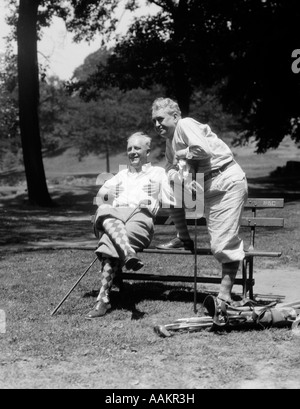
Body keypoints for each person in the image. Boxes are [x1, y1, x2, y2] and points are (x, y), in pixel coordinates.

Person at [151, 97, 248, 305]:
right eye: (154, 121)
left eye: (160, 119)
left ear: (175, 116)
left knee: (222, 244)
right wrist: (180, 174)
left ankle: (224, 296)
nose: (157, 124)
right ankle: (183, 237)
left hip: (226, 181)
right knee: (165, 180)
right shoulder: (170, 140)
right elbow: (170, 165)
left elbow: (202, 150)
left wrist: (182, 154)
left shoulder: (185, 124)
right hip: (205, 188)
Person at [86, 131, 170, 319]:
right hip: (114, 218)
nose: (132, 152)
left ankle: (103, 299)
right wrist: (109, 195)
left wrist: (157, 194)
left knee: (110, 240)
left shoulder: (158, 173)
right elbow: (100, 198)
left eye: (137, 148)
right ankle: (127, 253)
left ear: (147, 152)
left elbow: (172, 200)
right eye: (129, 149)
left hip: (140, 218)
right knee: (104, 211)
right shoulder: (121, 175)